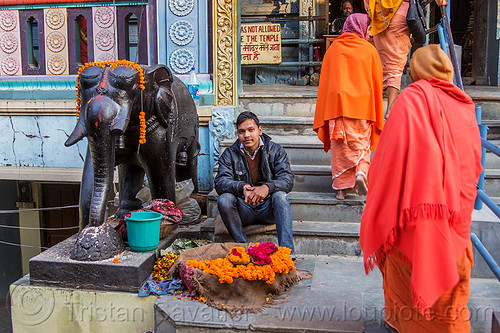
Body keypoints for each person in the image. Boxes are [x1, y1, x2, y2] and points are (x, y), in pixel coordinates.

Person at [360, 44, 482, 332]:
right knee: (451, 282)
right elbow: (473, 164)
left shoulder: (409, 100)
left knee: (408, 280)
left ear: (415, 71)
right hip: (455, 217)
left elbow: (388, 159)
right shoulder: (464, 105)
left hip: (412, 220)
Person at [314, 13, 385, 200]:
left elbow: (326, 82)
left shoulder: (334, 48)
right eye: (368, 28)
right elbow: (378, 83)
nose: (369, 33)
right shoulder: (369, 51)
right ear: (361, 28)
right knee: (361, 147)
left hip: (336, 109)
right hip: (362, 109)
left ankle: (340, 190)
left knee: (340, 150)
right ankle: (361, 172)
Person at [214, 111, 295, 257]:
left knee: (281, 196)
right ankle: (245, 249)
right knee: (224, 199)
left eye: (251, 130)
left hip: (268, 208)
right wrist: (241, 187)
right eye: (242, 131)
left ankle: (287, 254)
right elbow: (220, 182)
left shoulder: (275, 150)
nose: (246, 135)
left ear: (260, 130)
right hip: (244, 209)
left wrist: (267, 187)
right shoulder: (229, 154)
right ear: (237, 133)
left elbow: (287, 179)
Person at [364, 0, 449, 118]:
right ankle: (390, 109)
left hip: (379, 15)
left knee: (382, 60)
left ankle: (377, 109)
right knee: (395, 63)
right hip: (398, 12)